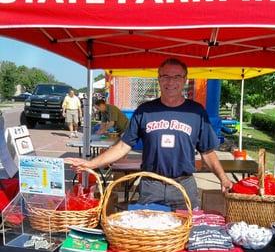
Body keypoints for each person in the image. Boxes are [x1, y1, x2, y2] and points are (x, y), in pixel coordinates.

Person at [66, 58, 232, 209]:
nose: (170, 82)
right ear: (159, 79)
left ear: (185, 80)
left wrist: (223, 178)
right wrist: (90, 164)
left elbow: (207, 152)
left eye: (177, 77)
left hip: (184, 187)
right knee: (148, 236)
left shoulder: (196, 112)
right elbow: (123, 146)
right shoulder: (145, 111)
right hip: (151, 186)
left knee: (187, 236)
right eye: (165, 76)